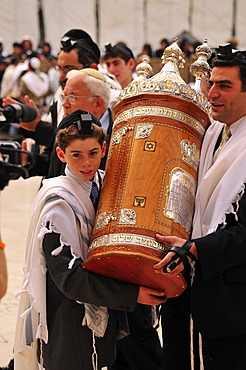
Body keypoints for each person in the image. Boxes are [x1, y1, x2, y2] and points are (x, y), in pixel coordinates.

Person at [13, 110, 166, 369]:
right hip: (69, 320)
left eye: (93, 154)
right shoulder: (57, 203)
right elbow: (69, 279)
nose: (86, 163)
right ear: (61, 155)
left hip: (106, 317)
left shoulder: (108, 185)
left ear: (104, 149)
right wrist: (133, 295)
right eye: (76, 155)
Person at [155, 43, 246, 369]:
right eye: (211, 83)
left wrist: (196, 249)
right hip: (188, 286)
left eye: (225, 85)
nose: (212, 92)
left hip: (230, 303)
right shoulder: (214, 132)